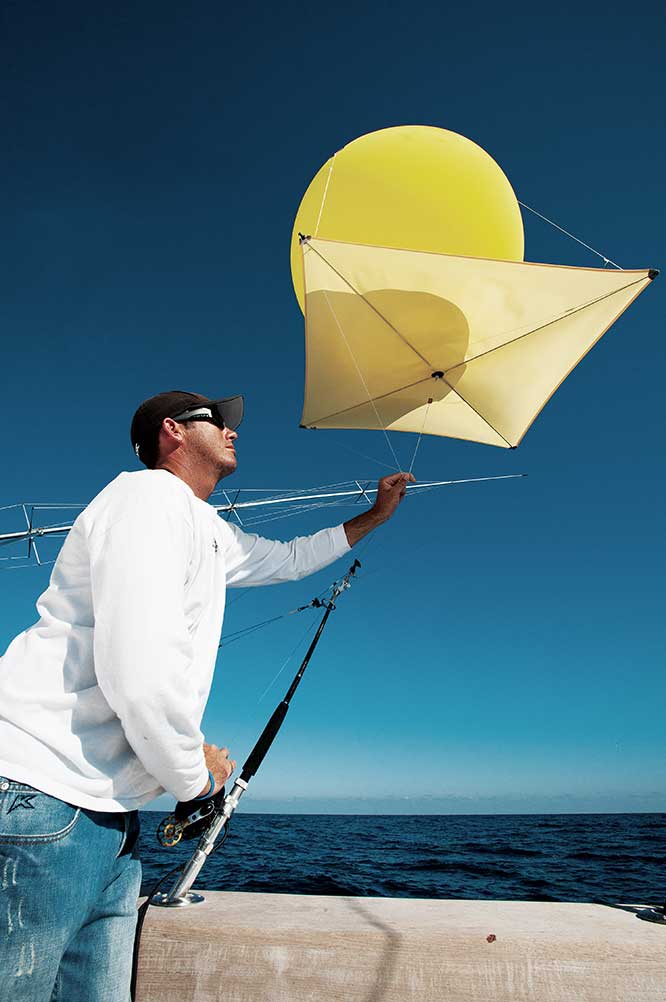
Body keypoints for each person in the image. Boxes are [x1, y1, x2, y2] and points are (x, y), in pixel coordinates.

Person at [0, 389, 413, 1002]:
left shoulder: (207, 529)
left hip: (106, 820)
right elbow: (137, 670)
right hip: (43, 795)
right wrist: (197, 780)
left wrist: (374, 517)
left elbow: (292, 558)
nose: (232, 430)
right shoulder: (145, 499)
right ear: (172, 431)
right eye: (216, 420)